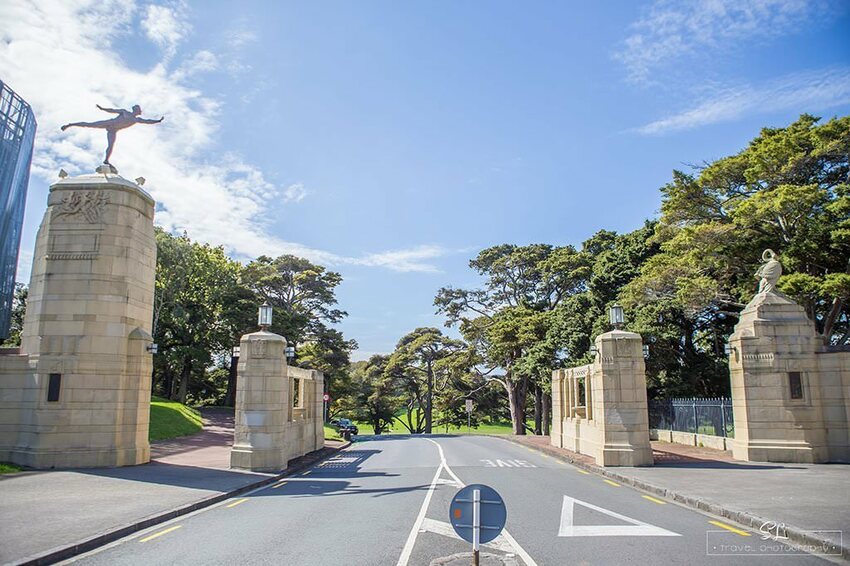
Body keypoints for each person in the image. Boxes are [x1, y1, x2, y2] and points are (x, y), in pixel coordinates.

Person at [61, 104, 164, 165]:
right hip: (110, 123)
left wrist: (158, 121)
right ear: (136, 110)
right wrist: (102, 109)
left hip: (113, 130)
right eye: (139, 110)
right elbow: (112, 110)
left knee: (111, 145)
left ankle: (106, 160)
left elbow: (148, 121)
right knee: (89, 124)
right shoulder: (124, 112)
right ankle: (70, 125)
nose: (140, 112)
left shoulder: (136, 120)